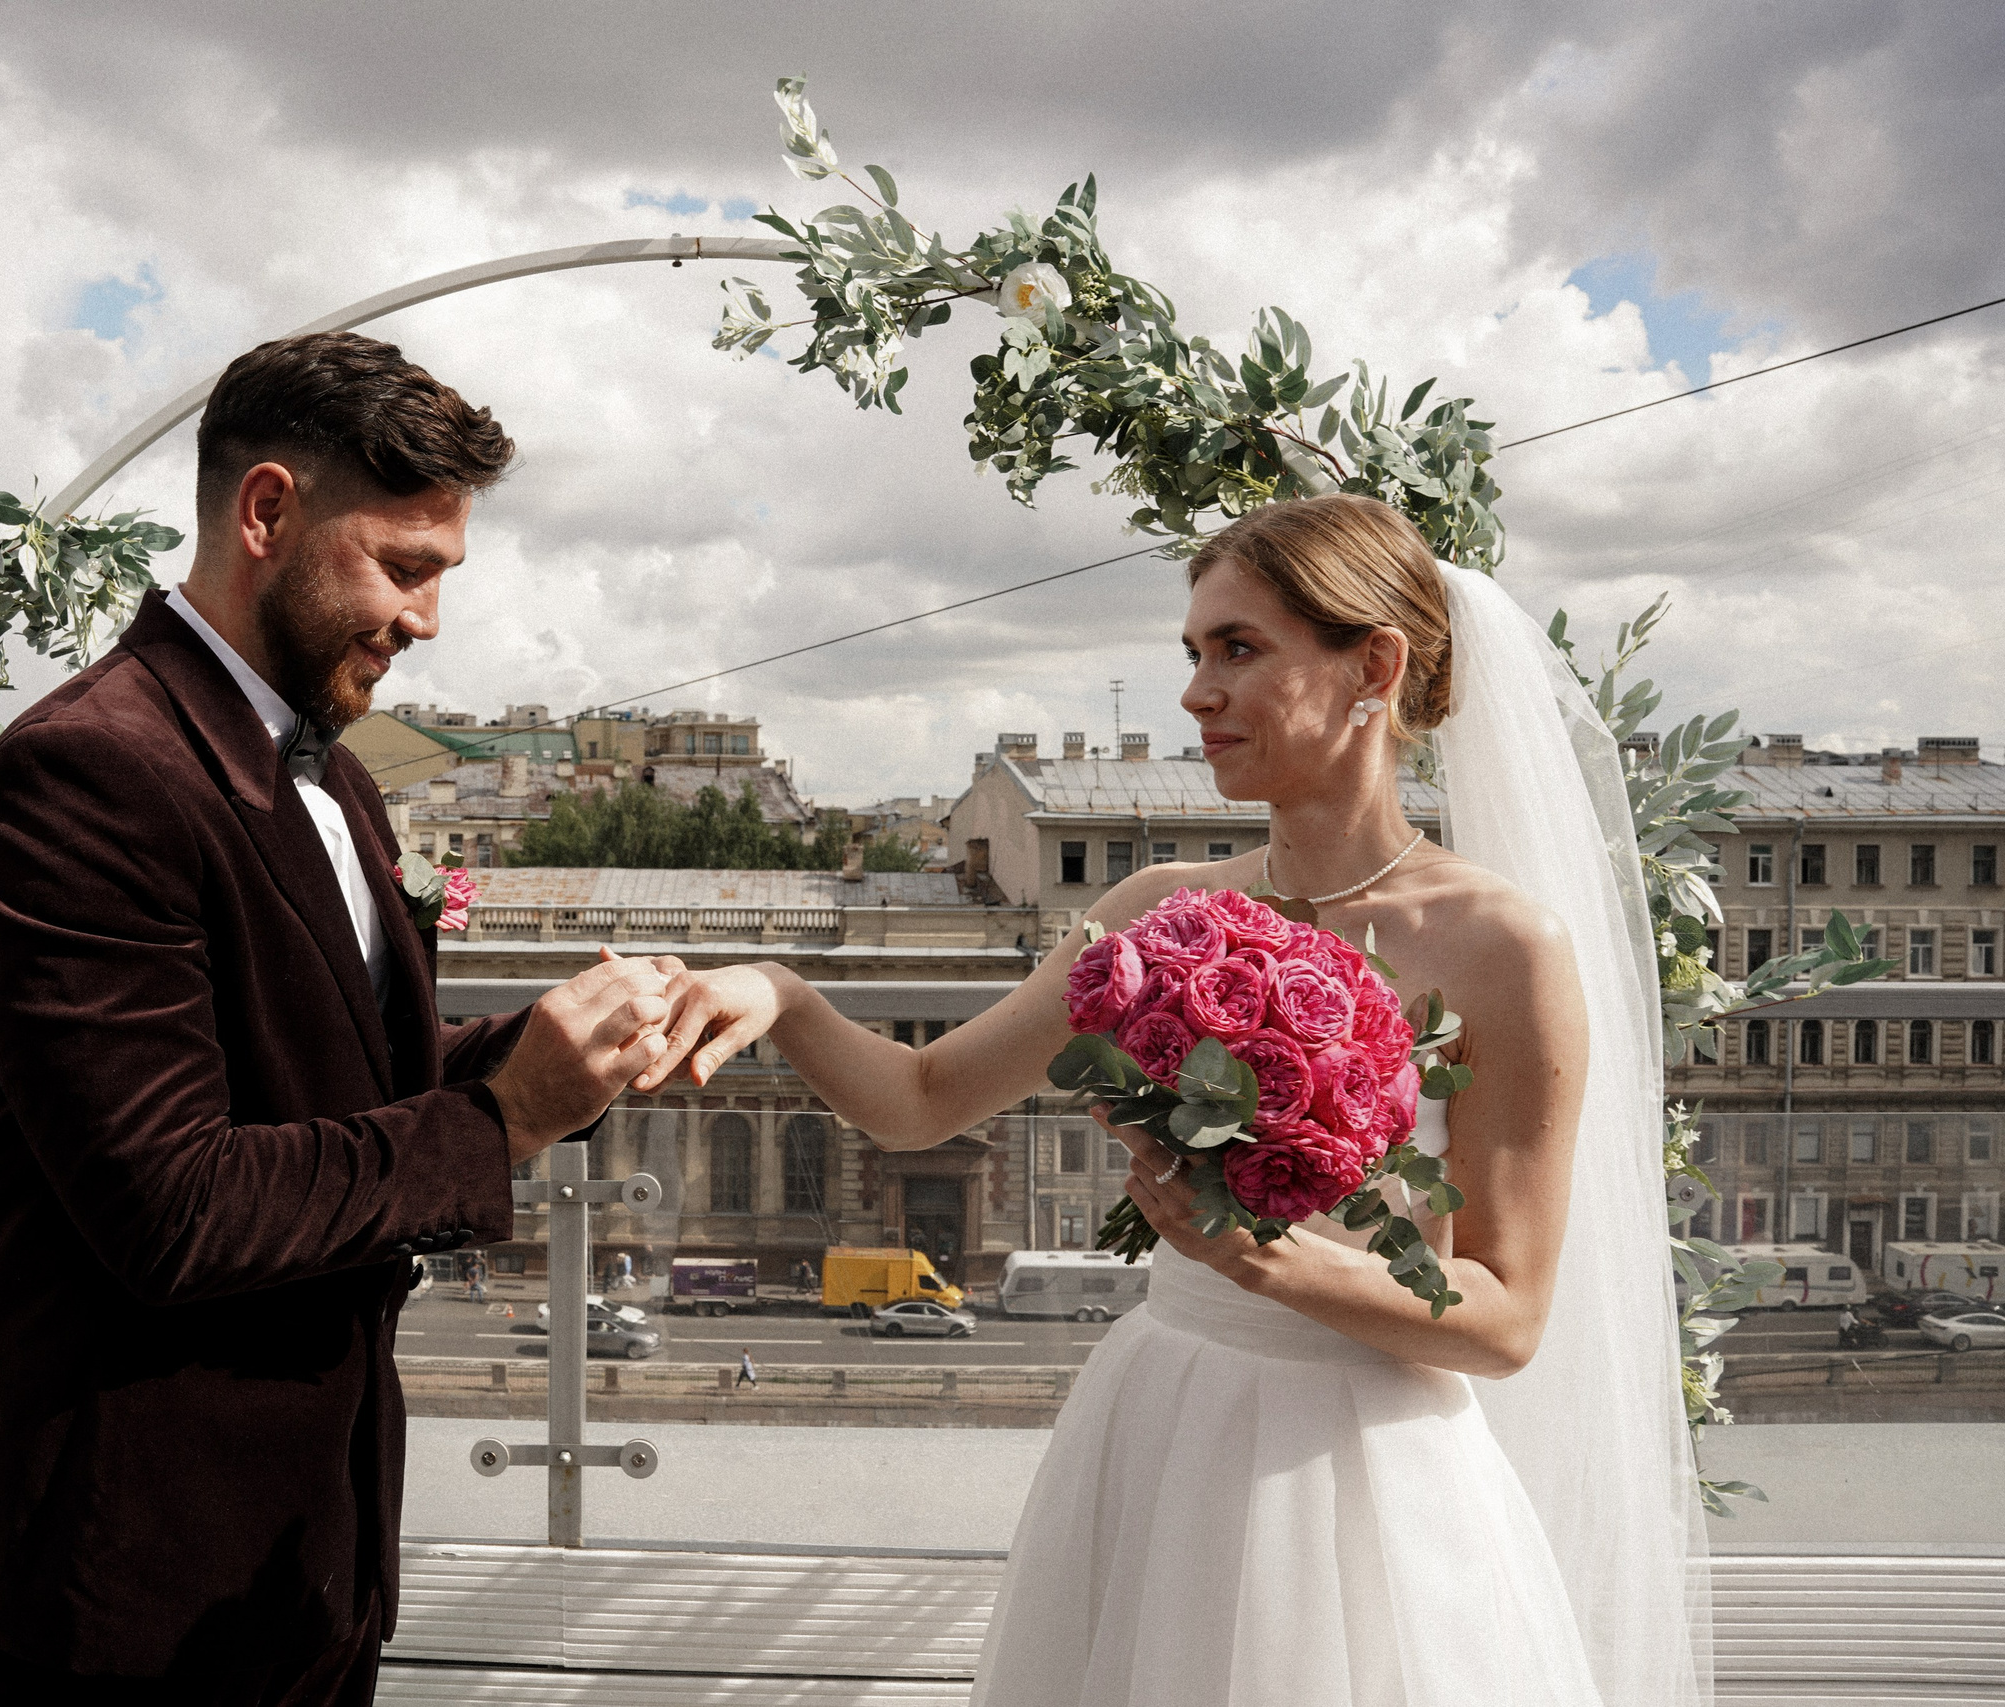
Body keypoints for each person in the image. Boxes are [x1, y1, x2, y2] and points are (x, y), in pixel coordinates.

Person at [645, 495, 1704, 1705]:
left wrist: (1261, 1259)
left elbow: (1505, 1319)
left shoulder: (1501, 946)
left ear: (1373, 667)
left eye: (1237, 649)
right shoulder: (1158, 912)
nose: (1197, 693)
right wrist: (780, 993)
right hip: (1165, 1425)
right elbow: (923, 1101)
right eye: (1193, 653)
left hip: (1364, 1470)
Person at [0, 331, 684, 1707]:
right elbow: (176, 1204)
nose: (428, 618)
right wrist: (503, 1119)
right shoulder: (84, 775)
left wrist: (554, 1055)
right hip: (138, 1580)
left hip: (305, 1554)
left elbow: (325, 1080)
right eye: (404, 565)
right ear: (266, 510)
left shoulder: (334, 770)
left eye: (443, 574)